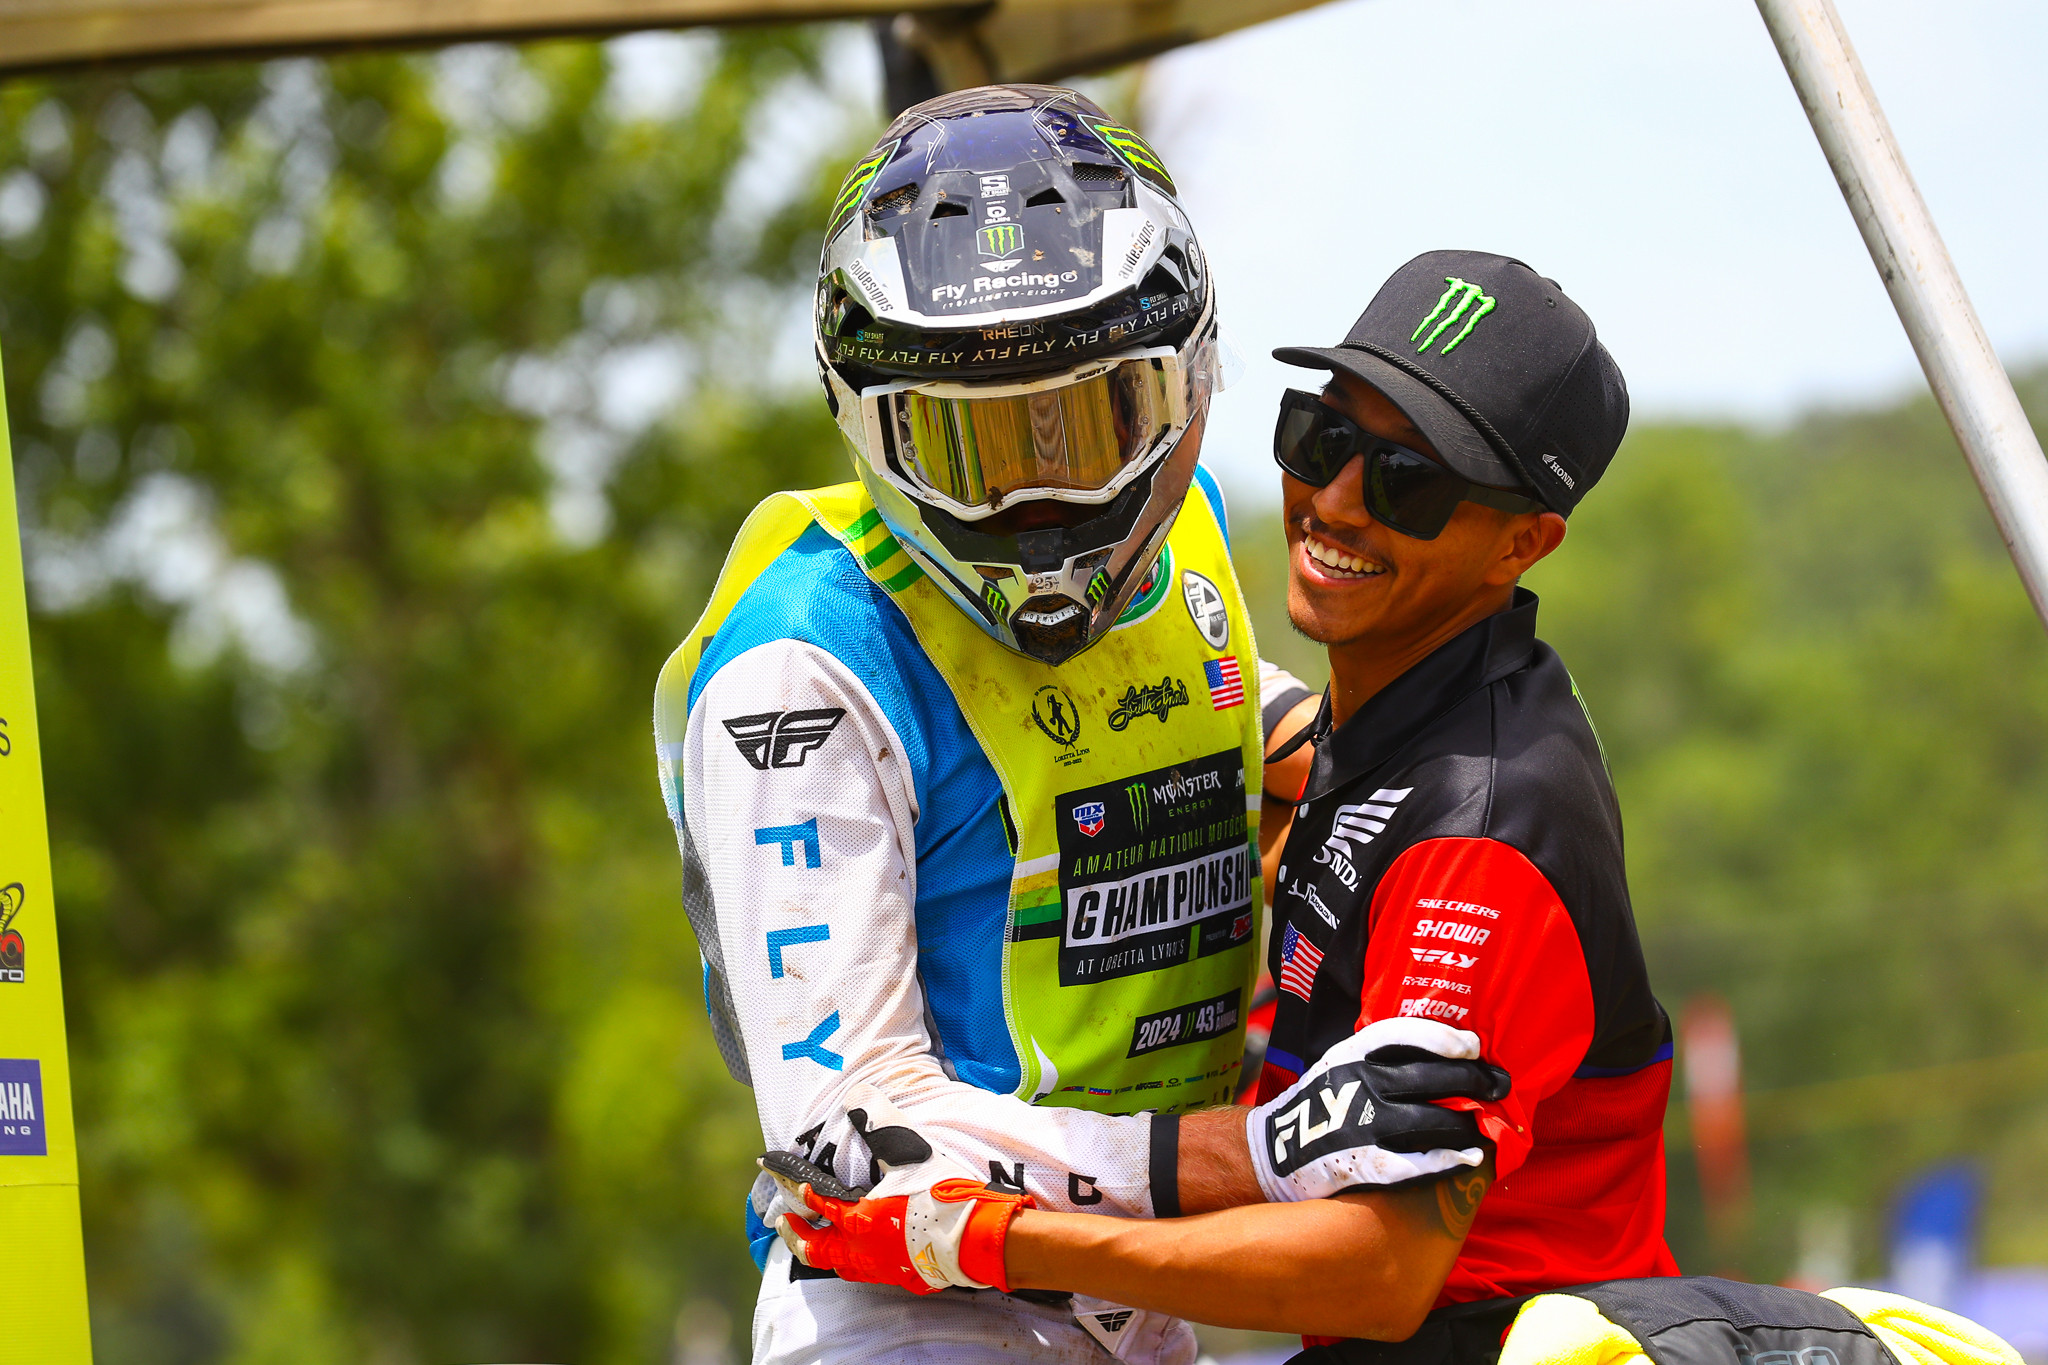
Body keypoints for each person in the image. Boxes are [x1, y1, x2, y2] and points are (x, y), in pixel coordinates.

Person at [653, 89, 1501, 1365]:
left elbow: (1201, 704)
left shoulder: (1191, 526)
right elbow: (848, 1150)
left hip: (1145, 1294)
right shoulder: (795, 674)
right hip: (914, 1316)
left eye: (1089, 419)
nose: (1039, 494)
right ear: (866, 418)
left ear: (1188, 379)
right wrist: (1268, 1150)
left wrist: (1419, 779)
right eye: (972, 441)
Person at [770, 251, 1678, 1363]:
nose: (1336, 501)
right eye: (1322, 438)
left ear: (1522, 543)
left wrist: (998, 1241)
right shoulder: (1385, 717)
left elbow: (1378, 1272)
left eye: (1409, 482)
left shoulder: (1476, 833)